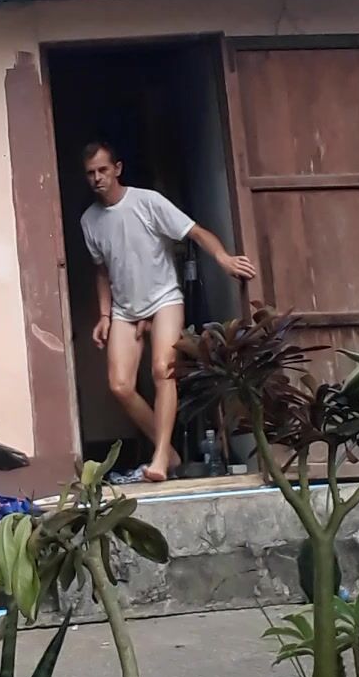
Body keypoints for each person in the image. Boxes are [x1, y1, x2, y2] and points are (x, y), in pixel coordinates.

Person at [80, 140, 256, 483]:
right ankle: (171, 452)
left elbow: (196, 232)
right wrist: (104, 315)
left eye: (103, 170)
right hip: (124, 309)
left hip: (164, 299)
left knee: (163, 370)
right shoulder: (90, 220)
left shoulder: (148, 202)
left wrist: (223, 258)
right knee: (119, 386)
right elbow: (101, 270)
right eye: (90, 173)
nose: (97, 178)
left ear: (117, 169)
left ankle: (160, 457)